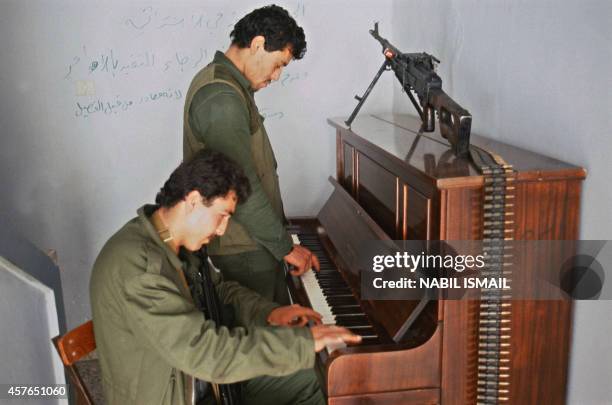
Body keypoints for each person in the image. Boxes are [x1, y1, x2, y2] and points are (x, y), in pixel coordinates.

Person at [90, 149, 360, 405]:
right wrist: (302, 344)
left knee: (312, 378)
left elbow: (219, 291)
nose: (221, 230)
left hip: (204, 382)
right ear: (193, 201)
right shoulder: (138, 267)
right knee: (304, 362)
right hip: (177, 393)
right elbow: (206, 354)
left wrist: (268, 313)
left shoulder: (169, 240)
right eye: (221, 216)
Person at [183, 5, 319, 305]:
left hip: (252, 242)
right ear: (258, 44)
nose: (277, 75)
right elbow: (240, 186)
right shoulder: (222, 98)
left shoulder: (228, 87)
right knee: (267, 338)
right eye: (278, 63)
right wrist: (285, 247)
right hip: (244, 246)